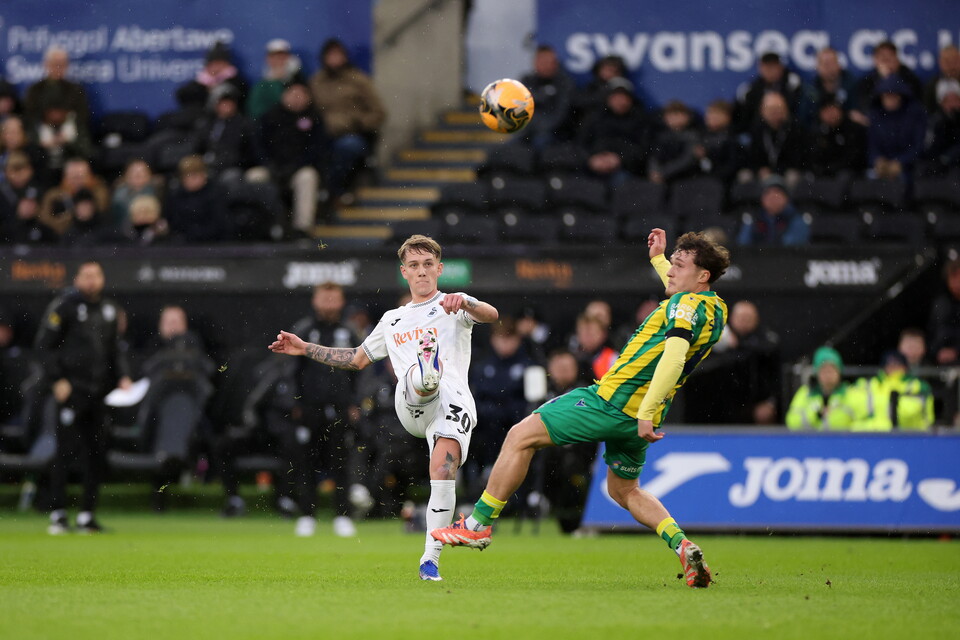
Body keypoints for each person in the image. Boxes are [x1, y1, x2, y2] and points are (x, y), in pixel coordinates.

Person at [431, 228, 729, 589]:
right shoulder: (713, 307)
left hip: (611, 401)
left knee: (520, 435)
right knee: (625, 491)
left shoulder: (683, 306)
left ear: (702, 276)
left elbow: (674, 356)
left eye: (678, 266)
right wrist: (658, 258)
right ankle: (682, 545)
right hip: (637, 416)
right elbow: (681, 287)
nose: (670, 270)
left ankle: (478, 524)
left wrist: (647, 410)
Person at [268, 234, 498, 581]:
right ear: (404, 272)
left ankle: (429, 559)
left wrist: (465, 302)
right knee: (420, 380)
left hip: (454, 402)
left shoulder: (455, 306)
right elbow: (357, 359)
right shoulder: (393, 320)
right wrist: (305, 348)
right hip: (411, 402)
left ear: (439, 268)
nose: (421, 272)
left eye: (427, 265)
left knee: (443, 469)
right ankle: (426, 369)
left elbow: (492, 315)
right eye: (414, 266)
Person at [34, 262, 132, 534]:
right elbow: (44, 346)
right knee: (64, 452)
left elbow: (115, 351)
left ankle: (87, 515)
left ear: (102, 279)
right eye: (86, 276)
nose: (91, 281)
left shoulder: (110, 310)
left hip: (98, 393)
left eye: (96, 276)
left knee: (95, 454)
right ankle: (58, 514)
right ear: (77, 279)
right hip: (71, 391)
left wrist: (123, 377)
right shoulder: (63, 307)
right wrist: (57, 379)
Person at [284, 282, 363, 537]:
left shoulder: (349, 332)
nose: (329, 303)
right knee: (306, 462)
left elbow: (362, 370)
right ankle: (307, 514)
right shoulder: (303, 332)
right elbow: (290, 371)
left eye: (334, 298)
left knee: (342, 461)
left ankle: (343, 515)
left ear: (341, 301)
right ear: (315, 301)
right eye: (324, 298)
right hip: (309, 408)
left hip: (341, 409)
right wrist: (294, 404)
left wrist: (357, 403)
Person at [309, 39, 386, 204]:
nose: (334, 59)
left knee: (348, 147)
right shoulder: (316, 81)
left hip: (352, 133)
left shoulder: (358, 80)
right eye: (331, 55)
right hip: (322, 134)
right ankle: (327, 193)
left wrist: (358, 123)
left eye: (338, 55)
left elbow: (379, 112)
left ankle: (332, 190)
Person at [258, 79, 325, 233]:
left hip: (299, 169)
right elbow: (259, 146)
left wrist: (295, 167)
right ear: (284, 95)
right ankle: (265, 227)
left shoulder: (314, 119)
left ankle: (302, 228)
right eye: (292, 93)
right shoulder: (270, 117)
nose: (296, 97)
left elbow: (317, 149)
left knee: (308, 177)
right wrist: (270, 165)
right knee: (254, 177)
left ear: (308, 97)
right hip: (272, 169)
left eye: (301, 94)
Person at [578, 78, 649, 185]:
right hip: (593, 166)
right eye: (616, 97)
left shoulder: (640, 120)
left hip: (625, 170)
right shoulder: (594, 117)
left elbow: (643, 150)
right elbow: (580, 144)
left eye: (624, 97)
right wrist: (591, 159)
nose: (620, 101)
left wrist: (620, 159)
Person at [786, 346, 865, 430]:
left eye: (831, 370)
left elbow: (864, 424)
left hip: (843, 442)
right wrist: (816, 415)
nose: (828, 375)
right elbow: (791, 421)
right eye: (824, 370)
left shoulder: (852, 394)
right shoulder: (805, 393)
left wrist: (836, 418)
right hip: (812, 441)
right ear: (817, 373)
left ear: (839, 372)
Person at [868, 76, 927, 181]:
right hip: (882, 167)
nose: (890, 100)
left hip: (910, 167)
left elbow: (918, 146)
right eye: (886, 96)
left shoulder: (915, 114)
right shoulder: (876, 115)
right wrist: (877, 160)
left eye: (893, 96)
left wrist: (901, 162)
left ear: (900, 96)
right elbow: (872, 144)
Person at [857, 350, 934, 430]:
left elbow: (908, 414)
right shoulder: (869, 384)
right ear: (883, 367)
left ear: (905, 367)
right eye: (889, 364)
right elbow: (855, 410)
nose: (893, 367)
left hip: (913, 436)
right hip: (873, 435)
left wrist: (882, 423)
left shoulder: (918, 385)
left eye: (897, 364)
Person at [519, 45, 576, 150]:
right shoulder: (527, 80)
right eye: (543, 62)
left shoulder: (564, 83)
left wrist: (538, 98)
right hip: (527, 131)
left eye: (551, 62)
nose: (547, 66)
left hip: (554, 134)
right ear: (535, 63)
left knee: (540, 142)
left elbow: (561, 113)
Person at [37, 157, 110, 238]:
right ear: (65, 178)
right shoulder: (53, 196)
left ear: (90, 176)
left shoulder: (99, 192)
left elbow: (94, 213)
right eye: (73, 177)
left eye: (81, 177)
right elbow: (45, 219)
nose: (77, 181)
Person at [22, 48, 90, 134]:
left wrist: (66, 132)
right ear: (46, 64)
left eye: (61, 64)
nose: (58, 68)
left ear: (67, 66)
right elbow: (30, 117)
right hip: (41, 136)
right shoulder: (34, 90)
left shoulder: (76, 90)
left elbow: (82, 116)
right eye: (54, 64)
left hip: (71, 136)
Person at [163, 155, 228, 243]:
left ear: (204, 175)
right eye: (186, 176)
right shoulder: (175, 195)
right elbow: (174, 222)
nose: (190, 180)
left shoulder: (215, 193)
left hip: (213, 242)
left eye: (194, 176)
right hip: (184, 243)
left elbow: (220, 223)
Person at [733, 52, 804, 132]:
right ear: (760, 68)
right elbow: (743, 117)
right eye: (766, 68)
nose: (769, 72)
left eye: (772, 67)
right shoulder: (752, 89)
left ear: (780, 67)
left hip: (789, 130)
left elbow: (800, 111)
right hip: (760, 132)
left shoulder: (793, 85)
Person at [855, 41, 923, 118]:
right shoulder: (866, 82)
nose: (887, 63)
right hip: (878, 123)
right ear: (875, 61)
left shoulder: (909, 77)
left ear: (897, 60)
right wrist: (883, 80)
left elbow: (915, 102)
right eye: (883, 59)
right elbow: (865, 107)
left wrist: (892, 80)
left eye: (890, 57)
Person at [737, 175, 810, 246]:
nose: (773, 196)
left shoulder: (796, 219)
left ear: (786, 198)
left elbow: (791, 248)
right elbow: (743, 245)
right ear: (762, 198)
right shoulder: (754, 219)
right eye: (768, 193)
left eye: (777, 192)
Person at [0, 151, 53, 245]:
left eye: (22, 168)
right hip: (7, 241)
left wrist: (36, 212)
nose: (19, 174)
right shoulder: (3, 193)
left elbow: (48, 219)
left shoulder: (40, 191)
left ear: (30, 170)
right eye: (15, 169)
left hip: (37, 239)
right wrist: (17, 217)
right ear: (6, 172)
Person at [807, 98, 867, 179]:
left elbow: (853, 158)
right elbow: (815, 156)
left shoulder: (852, 129)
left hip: (850, 172)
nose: (830, 114)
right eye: (826, 110)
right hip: (827, 172)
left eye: (833, 108)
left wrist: (832, 168)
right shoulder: (820, 132)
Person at [247, 39, 306, 121]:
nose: (278, 60)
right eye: (274, 57)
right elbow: (255, 111)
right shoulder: (262, 85)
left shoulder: (299, 79)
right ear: (268, 60)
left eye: (282, 56)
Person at [798, 48, 860, 125]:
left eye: (832, 63)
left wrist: (843, 114)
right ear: (817, 67)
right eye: (826, 64)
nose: (830, 68)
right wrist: (821, 116)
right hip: (819, 132)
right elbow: (804, 116)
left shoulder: (851, 84)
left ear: (839, 65)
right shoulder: (811, 89)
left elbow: (858, 111)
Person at [648, 100, 700, 185]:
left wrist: (663, 173)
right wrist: (654, 172)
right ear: (665, 118)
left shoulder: (692, 136)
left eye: (678, 114)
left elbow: (687, 160)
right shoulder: (661, 136)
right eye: (671, 115)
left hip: (684, 180)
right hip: (659, 180)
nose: (675, 118)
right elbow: (654, 157)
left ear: (687, 117)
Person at [928, 258, 960, 366]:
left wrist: (956, 351)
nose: (957, 282)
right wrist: (938, 352)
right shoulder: (940, 303)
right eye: (954, 277)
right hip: (939, 363)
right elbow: (932, 333)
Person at [923, 46, 960, 114]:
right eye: (947, 61)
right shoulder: (932, 88)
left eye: (955, 60)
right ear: (940, 62)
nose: (952, 65)